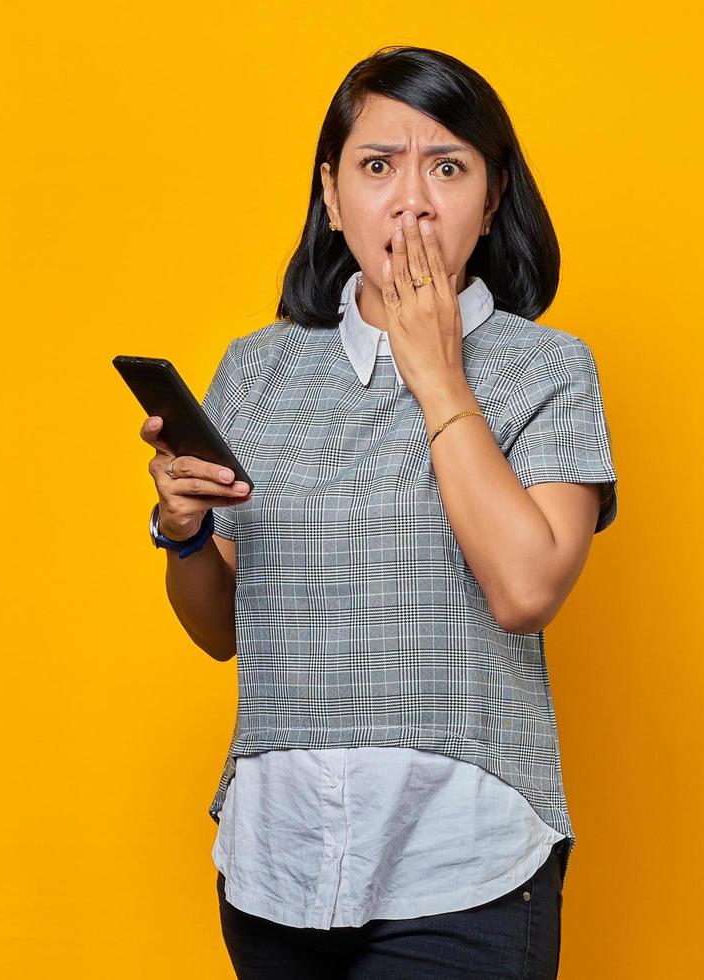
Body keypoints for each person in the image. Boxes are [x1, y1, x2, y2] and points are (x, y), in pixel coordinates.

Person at [141, 46, 617, 979]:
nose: (412, 201)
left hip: (464, 865)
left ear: (491, 198)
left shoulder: (548, 369)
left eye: (447, 167)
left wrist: (436, 371)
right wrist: (183, 533)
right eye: (376, 165)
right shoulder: (256, 370)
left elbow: (526, 589)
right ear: (331, 195)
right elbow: (222, 630)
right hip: (275, 865)